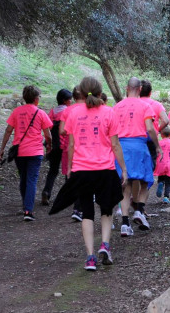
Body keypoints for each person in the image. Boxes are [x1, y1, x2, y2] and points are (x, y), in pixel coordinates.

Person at [62, 76, 127, 271]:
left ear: (80, 92)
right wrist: (123, 168)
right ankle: (105, 245)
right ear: (100, 92)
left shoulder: (73, 113)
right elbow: (115, 144)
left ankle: (90, 257)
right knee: (106, 209)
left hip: (82, 170)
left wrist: (69, 167)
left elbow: (71, 144)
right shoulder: (109, 112)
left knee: (87, 212)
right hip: (104, 169)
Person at [113, 77, 162, 235]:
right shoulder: (146, 106)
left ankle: (125, 224)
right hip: (139, 147)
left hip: (122, 148)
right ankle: (139, 212)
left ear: (127, 88)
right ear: (140, 89)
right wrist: (157, 145)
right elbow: (149, 128)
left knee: (125, 186)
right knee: (146, 181)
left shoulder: (117, 107)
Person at [0, 85, 53, 221]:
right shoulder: (40, 113)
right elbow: (48, 134)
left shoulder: (17, 112)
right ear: (36, 99)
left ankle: (26, 205)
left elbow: (8, 130)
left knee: (23, 179)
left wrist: (2, 148)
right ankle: (28, 211)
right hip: (35, 151)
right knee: (31, 180)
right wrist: (49, 146)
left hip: (20, 151)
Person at [59, 86, 86, 221]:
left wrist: (71, 131)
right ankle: (78, 208)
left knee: (70, 174)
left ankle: (72, 202)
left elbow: (61, 130)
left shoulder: (68, 110)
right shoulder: (89, 108)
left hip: (68, 147)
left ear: (74, 97)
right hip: (85, 147)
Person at [41, 89, 72, 206]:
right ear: (64, 100)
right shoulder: (68, 111)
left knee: (53, 171)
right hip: (65, 145)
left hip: (54, 145)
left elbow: (47, 126)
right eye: (69, 99)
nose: (71, 101)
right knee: (67, 171)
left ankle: (46, 191)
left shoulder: (52, 111)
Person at [141, 80, 169, 169]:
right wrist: (158, 129)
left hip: (137, 137)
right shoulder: (157, 105)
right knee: (151, 162)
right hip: (152, 137)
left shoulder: (134, 104)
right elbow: (165, 120)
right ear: (150, 92)